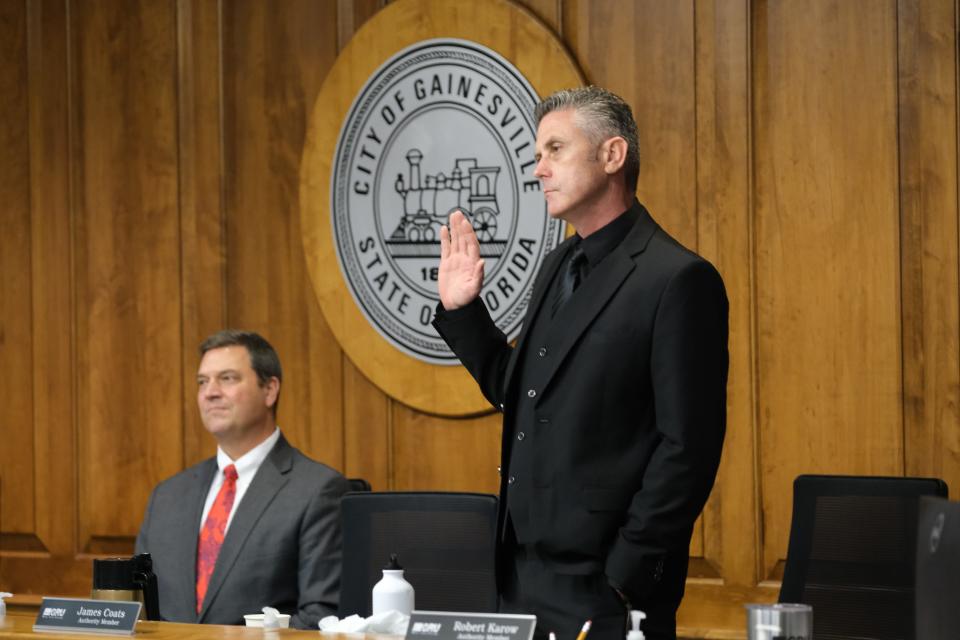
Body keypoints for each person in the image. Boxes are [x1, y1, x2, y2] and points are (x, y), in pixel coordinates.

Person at [433, 86, 728, 640]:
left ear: (612, 155)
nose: (537, 167)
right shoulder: (556, 264)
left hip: (607, 588)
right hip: (521, 579)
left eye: (554, 149)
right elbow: (518, 391)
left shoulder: (678, 280)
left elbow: (689, 447)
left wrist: (627, 574)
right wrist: (464, 311)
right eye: (537, 152)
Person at [136, 330, 348, 628]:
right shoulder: (167, 496)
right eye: (202, 381)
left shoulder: (317, 490)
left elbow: (320, 618)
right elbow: (137, 610)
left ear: (270, 390)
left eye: (227, 378)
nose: (210, 392)